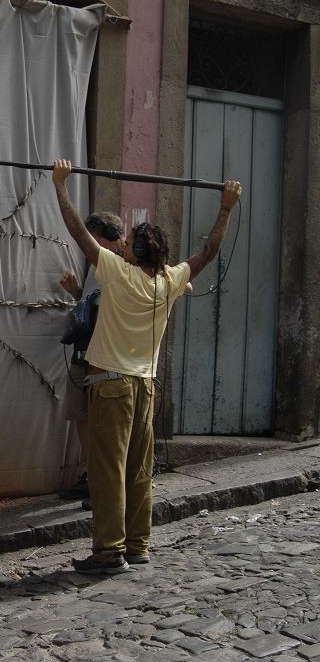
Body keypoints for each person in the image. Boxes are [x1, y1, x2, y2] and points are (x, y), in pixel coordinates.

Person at [51, 159, 241, 574]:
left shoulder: (118, 273)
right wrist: (226, 206)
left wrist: (60, 184)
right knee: (138, 470)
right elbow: (209, 249)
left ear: (135, 252)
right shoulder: (169, 280)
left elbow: (78, 232)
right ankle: (138, 545)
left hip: (112, 385)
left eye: (128, 240)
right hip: (145, 386)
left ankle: (108, 552)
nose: (122, 243)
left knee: (107, 472)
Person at [57, 213, 126, 502]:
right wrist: (77, 293)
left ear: (102, 235)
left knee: (104, 421)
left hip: (105, 355)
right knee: (82, 415)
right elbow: (93, 302)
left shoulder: (121, 265)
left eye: (92, 237)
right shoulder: (96, 263)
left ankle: (105, 483)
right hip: (83, 351)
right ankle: (91, 475)